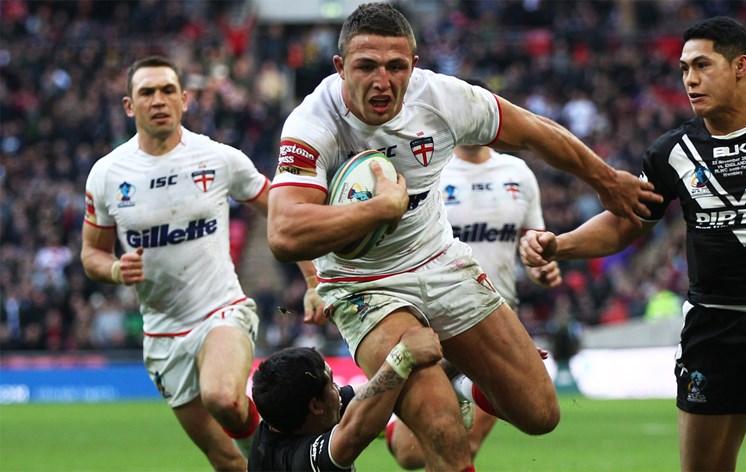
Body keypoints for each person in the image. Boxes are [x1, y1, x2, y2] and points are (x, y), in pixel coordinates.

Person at [266, 4, 661, 470]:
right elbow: (285, 233)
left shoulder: (441, 97)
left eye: (396, 67)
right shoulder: (313, 123)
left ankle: (466, 375)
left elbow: (534, 131)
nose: (382, 81)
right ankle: (430, 384)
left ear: (413, 65)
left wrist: (604, 180)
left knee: (540, 413)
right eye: (366, 66)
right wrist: (379, 209)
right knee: (443, 432)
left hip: (440, 261)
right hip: (363, 286)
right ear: (340, 68)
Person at [520, 16, 746, 471]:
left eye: (702, 66)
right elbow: (625, 225)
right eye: (684, 69)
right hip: (714, 329)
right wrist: (559, 245)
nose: (690, 79)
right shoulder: (670, 152)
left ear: (740, 66)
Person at [80, 55, 317, 471]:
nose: (159, 100)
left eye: (168, 90)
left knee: (223, 397)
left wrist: (313, 281)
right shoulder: (106, 175)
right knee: (225, 460)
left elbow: (281, 215)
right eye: (147, 92)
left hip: (221, 310)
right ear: (128, 106)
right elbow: (91, 255)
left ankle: (280, 461)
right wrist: (115, 269)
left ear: (185, 99)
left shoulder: (217, 157)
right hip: (162, 333)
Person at [386, 128, 563, 468]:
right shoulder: (432, 172)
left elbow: (532, 243)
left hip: (498, 318)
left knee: (466, 444)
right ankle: (398, 426)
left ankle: (466, 391)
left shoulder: (518, 173)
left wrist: (540, 269)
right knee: (412, 456)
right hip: (439, 319)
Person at [247, 326, 442, 471]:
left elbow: (378, 391)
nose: (338, 390)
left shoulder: (291, 415)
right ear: (315, 406)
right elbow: (354, 432)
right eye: (332, 385)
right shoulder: (295, 461)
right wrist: (403, 356)